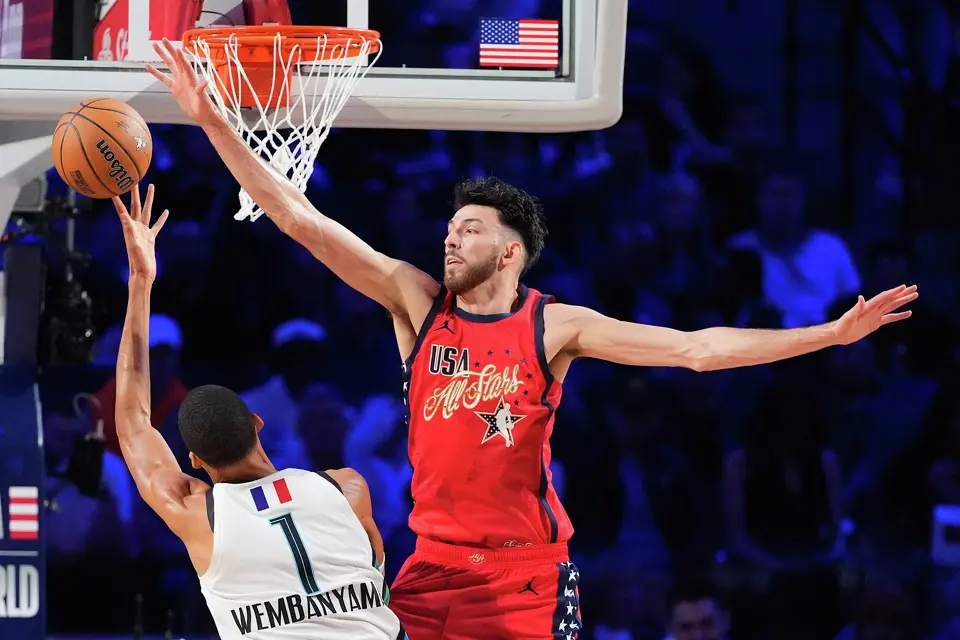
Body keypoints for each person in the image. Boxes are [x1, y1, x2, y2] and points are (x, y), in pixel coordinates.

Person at [148, 38, 918, 639]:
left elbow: (697, 349)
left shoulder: (554, 325)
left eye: (470, 230)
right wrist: (214, 116)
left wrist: (830, 332)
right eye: (449, 228)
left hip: (525, 578)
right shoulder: (416, 303)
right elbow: (299, 220)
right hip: (430, 570)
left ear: (510, 250)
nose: (451, 241)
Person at [110, 184, 404, 640]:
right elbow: (376, 573)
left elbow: (132, 423)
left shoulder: (197, 515)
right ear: (257, 424)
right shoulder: (347, 487)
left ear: (194, 460)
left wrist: (140, 282)